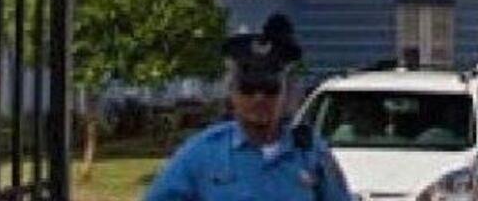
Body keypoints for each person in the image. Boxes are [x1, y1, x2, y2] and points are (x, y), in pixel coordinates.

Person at [143, 14, 350, 201]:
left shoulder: (311, 154)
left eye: (269, 88)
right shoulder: (202, 154)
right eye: (248, 88)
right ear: (231, 91)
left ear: (285, 91)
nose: (259, 98)